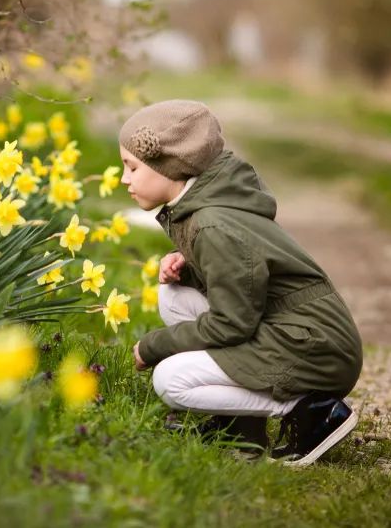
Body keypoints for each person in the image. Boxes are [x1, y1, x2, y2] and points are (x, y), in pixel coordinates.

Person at [119, 99, 363, 466]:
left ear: (168, 167)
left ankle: (312, 412)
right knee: (174, 296)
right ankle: (240, 433)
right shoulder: (209, 207)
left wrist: (154, 346)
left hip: (314, 349)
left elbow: (232, 322)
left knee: (170, 381)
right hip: (292, 330)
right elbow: (245, 280)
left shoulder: (213, 224)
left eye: (132, 167)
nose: (125, 179)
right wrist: (190, 268)